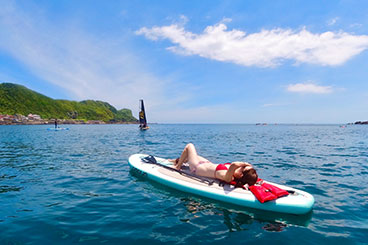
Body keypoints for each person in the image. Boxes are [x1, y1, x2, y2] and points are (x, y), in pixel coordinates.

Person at [170, 143, 258, 187]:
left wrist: (245, 164)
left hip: (197, 168)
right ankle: (175, 161)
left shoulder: (228, 177)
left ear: (241, 174)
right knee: (188, 156)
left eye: (242, 168)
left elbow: (234, 164)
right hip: (206, 164)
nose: (241, 166)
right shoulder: (234, 173)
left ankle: (177, 167)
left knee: (189, 146)